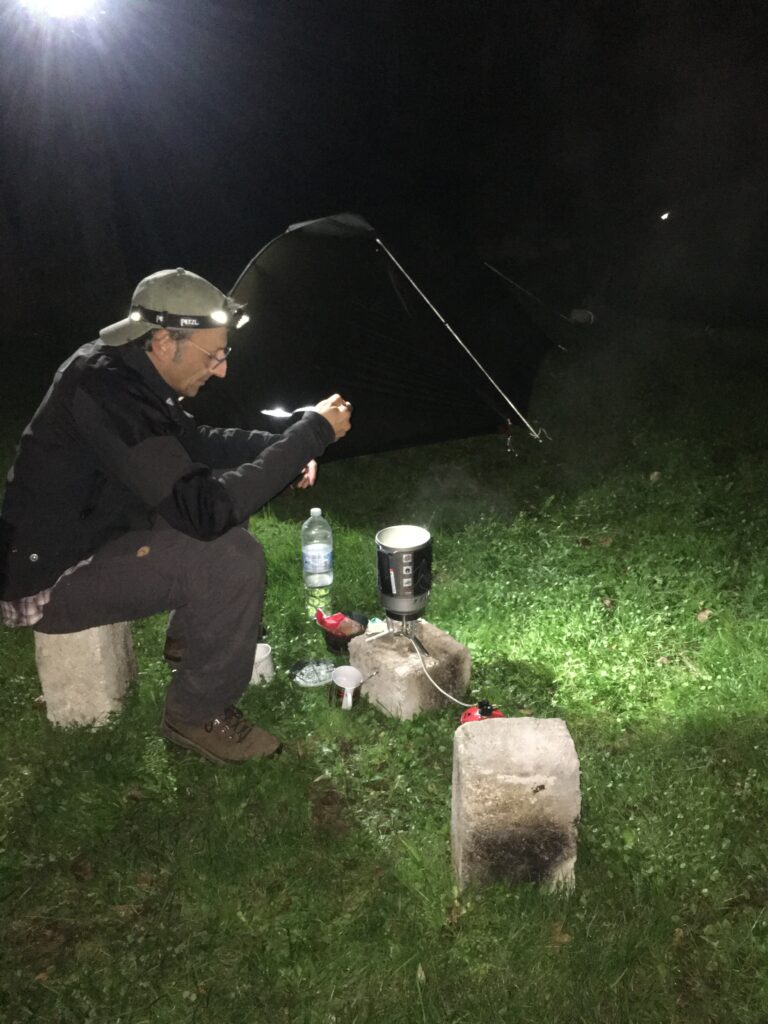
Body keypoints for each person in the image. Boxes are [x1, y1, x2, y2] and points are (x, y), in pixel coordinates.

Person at [0, 267, 352, 764]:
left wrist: (282, 446)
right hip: (50, 579)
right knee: (231, 557)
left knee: (219, 499)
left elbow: (195, 443)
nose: (222, 370)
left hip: (98, 530)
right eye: (214, 355)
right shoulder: (106, 390)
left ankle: (190, 640)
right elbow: (206, 512)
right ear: (165, 342)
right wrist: (310, 434)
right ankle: (195, 713)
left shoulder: (127, 371)